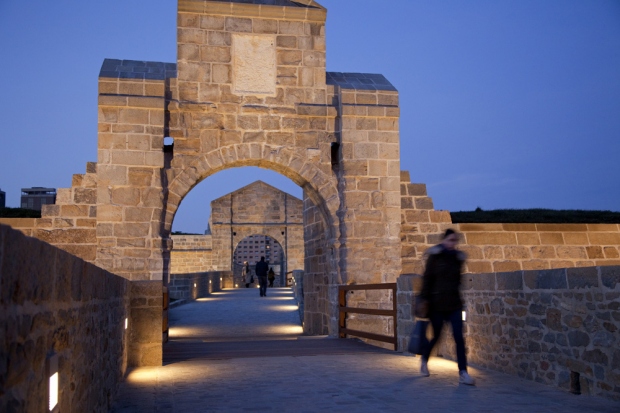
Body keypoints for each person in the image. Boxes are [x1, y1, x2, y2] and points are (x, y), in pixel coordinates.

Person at [419, 228, 475, 386]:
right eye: (450, 240)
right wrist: (424, 299)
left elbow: (457, 281)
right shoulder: (435, 257)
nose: (452, 243)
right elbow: (427, 279)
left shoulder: (457, 258)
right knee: (436, 337)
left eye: (454, 241)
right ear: (444, 240)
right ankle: (424, 359)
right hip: (437, 305)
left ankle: (463, 372)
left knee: (459, 338)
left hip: (454, 304)